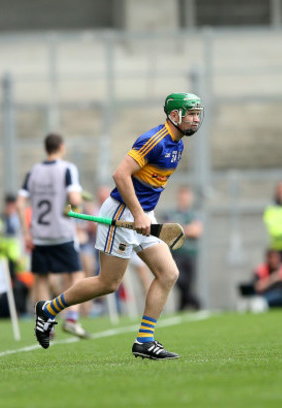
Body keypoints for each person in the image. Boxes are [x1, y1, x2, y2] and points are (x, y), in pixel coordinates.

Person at [34, 92, 204, 360]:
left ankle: (144, 341)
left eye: (197, 114)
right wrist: (137, 213)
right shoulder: (154, 141)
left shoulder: (178, 145)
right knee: (108, 282)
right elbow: (120, 174)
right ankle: (48, 310)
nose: (196, 119)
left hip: (143, 214)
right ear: (174, 116)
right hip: (123, 213)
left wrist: (144, 214)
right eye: (191, 114)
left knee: (168, 273)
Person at [17, 133, 89, 339]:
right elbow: (74, 199)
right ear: (61, 147)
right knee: (76, 275)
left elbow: (21, 203)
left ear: (46, 148)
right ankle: (72, 318)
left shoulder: (33, 171)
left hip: (39, 234)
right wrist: (78, 205)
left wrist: (26, 232)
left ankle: (46, 324)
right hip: (62, 233)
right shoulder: (68, 168)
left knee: (41, 278)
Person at [163, 185, 202, 310]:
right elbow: (169, 230)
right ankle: (196, 303)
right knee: (180, 281)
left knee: (188, 284)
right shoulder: (171, 214)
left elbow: (197, 231)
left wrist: (180, 229)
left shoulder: (193, 215)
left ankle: (181, 308)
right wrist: (187, 229)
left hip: (190, 254)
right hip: (176, 253)